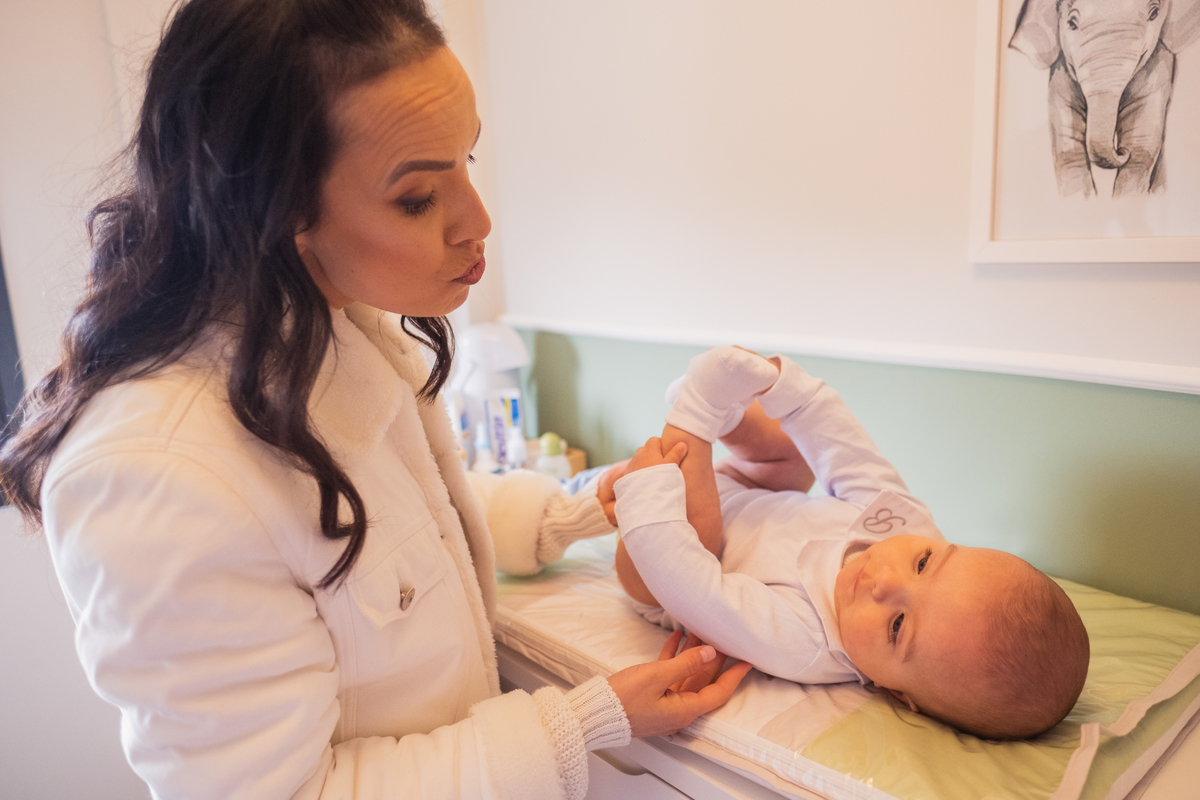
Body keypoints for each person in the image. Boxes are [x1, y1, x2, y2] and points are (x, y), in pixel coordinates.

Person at [0, 3, 751, 798]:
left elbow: (393, 523)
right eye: (419, 199)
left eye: (467, 158)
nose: (479, 221)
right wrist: (583, 725)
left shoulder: (325, 314)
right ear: (281, 212)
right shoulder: (155, 476)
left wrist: (577, 509)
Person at [609, 347, 1090, 740]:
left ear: (897, 692)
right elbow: (847, 453)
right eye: (924, 564)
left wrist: (649, 498)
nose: (884, 581)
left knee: (700, 531)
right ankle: (729, 411)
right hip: (752, 491)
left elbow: (694, 588)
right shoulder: (913, 527)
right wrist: (788, 390)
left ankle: (698, 409)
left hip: (666, 561)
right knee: (794, 459)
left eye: (898, 625)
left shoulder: (809, 641)